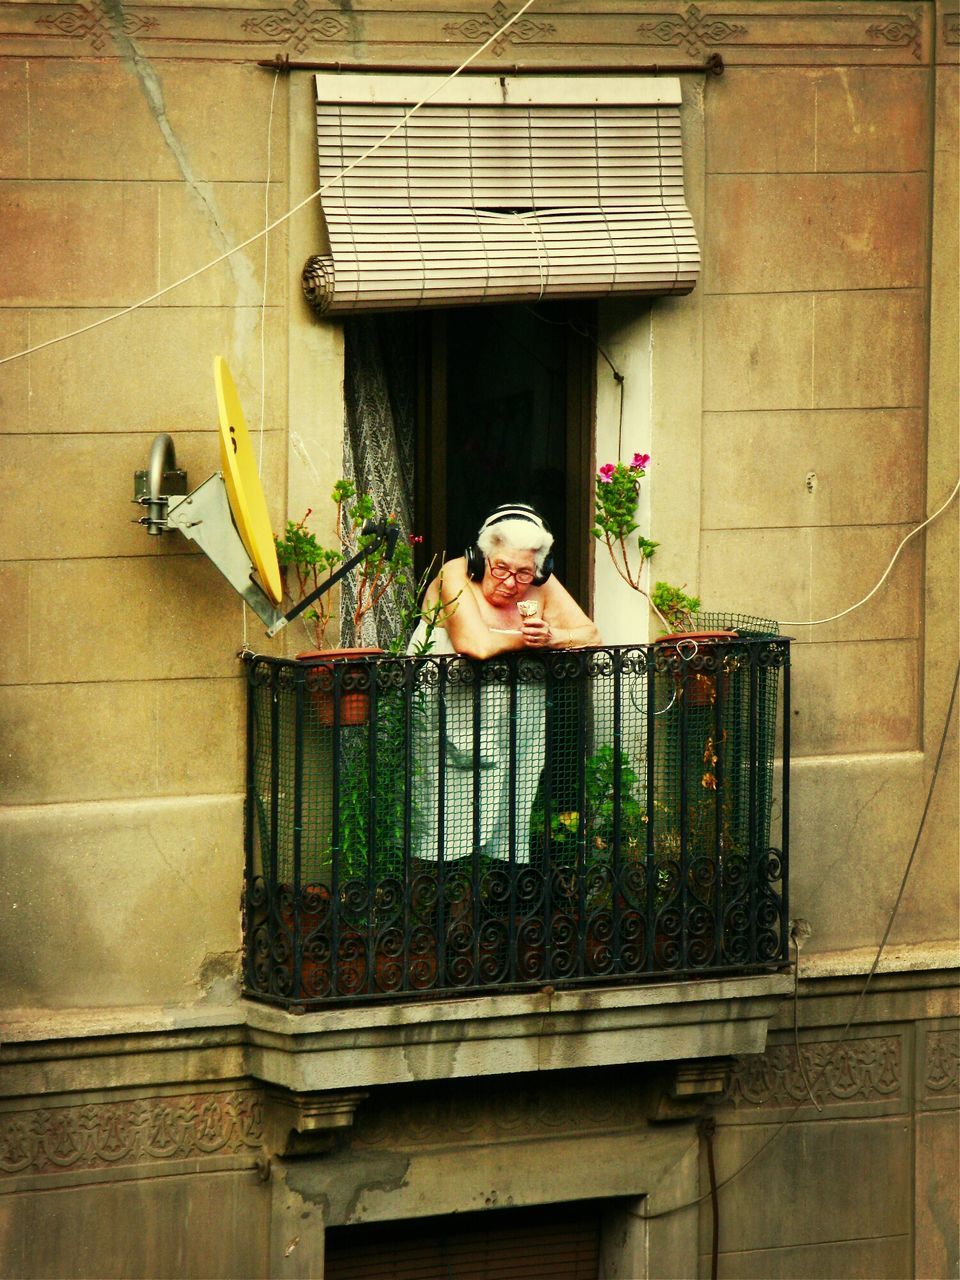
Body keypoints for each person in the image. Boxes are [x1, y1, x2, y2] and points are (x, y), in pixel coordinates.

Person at [408, 505, 600, 865]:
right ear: (481, 559)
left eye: (524, 573)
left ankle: (477, 911)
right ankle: (426, 910)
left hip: (511, 732)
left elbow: (590, 634)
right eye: (501, 569)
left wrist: (553, 636)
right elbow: (474, 645)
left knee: (502, 823)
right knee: (436, 823)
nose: (511, 582)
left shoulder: (539, 582)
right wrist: (528, 641)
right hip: (445, 726)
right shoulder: (456, 573)